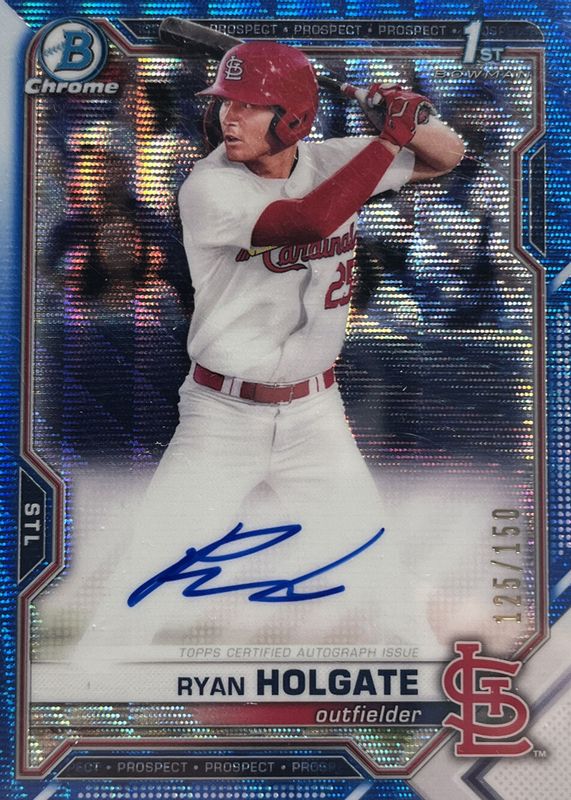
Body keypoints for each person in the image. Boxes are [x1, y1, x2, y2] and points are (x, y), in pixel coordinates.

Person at [77, 42, 465, 656]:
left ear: (292, 117)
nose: (228, 117)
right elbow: (307, 221)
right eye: (225, 104)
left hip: (314, 412)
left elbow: (449, 156)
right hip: (223, 414)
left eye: (249, 106)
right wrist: (388, 138)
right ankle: (92, 678)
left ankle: (430, 675)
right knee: (154, 563)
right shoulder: (208, 186)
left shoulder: (334, 160)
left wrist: (405, 116)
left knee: (372, 559)